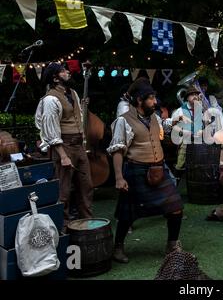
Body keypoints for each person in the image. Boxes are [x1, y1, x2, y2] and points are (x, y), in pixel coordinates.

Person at [107, 78, 183, 263]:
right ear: (140, 100)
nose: (155, 102)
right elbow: (117, 149)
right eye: (151, 99)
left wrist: (174, 122)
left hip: (159, 169)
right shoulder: (123, 121)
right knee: (128, 214)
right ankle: (118, 247)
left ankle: (172, 244)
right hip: (136, 170)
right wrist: (118, 177)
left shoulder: (154, 117)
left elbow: (161, 129)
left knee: (176, 207)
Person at [35, 62, 93, 228]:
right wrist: (63, 155)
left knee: (86, 186)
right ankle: (63, 227)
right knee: (64, 190)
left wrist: (81, 107)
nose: (68, 72)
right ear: (55, 78)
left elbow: (77, 117)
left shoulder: (73, 93)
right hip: (64, 145)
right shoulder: (50, 99)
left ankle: (87, 224)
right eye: (63, 71)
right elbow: (49, 128)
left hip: (79, 145)